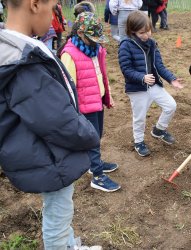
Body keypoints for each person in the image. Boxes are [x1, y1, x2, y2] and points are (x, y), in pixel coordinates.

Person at [0, 0, 103, 248]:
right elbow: (56, 120)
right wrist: (90, 134)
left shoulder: (15, 46)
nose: (57, 15)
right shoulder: (22, 62)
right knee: (58, 215)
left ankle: (71, 245)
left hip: (44, 151)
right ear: (34, 4)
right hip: (49, 156)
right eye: (54, 7)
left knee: (59, 209)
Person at [59, 12, 121, 192]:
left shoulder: (96, 49)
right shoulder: (69, 54)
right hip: (84, 106)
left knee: (97, 134)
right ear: (79, 33)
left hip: (97, 100)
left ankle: (93, 162)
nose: (96, 41)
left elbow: (101, 74)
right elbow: (69, 87)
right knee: (91, 139)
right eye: (92, 37)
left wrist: (107, 95)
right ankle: (97, 176)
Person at [119, 11, 183, 157]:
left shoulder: (152, 44)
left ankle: (159, 130)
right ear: (132, 31)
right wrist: (142, 77)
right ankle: (139, 142)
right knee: (139, 117)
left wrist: (171, 79)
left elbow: (159, 66)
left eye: (148, 30)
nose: (147, 35)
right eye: (142, 32)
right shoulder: (126, 45)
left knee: (171, 105)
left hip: (153, 84)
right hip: (137, 88)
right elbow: (126, 69)